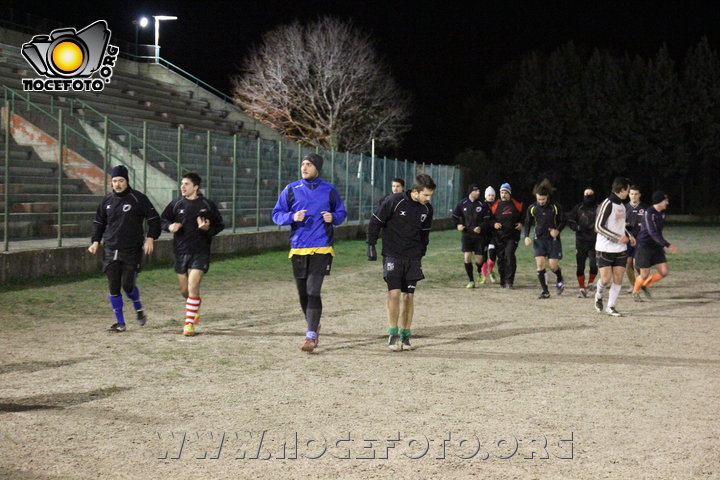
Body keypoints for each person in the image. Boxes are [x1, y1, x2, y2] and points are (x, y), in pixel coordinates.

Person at [272, 153, 347, 353]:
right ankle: (313, 324)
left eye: (309, 165)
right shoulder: (291, 189)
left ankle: (310, 336)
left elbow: (342, 213)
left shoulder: (329, 190)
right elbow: (276, 214)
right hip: (298, 248)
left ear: (317, 169)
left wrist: (334, 217)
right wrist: (291, 216)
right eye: (303, 164)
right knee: (303, 294)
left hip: (322, 247)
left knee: (314, 290)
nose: (304, 168)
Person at [367, 173, 435, 351]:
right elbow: (376, 221)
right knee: (394, 293)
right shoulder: (394, 201)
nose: (428, 199)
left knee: (408, 296)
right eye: (426, 195)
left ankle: (405, 335)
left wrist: (422, 252)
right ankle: (392, 334)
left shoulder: (427, 209)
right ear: (415, 191)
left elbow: (425, 233)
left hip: (413, 258)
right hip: (392, 254)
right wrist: (371, 244)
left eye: (430, 196)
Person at [89, 165, 161, 332]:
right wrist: (95, 241)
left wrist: (150, 238)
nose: (117, 184)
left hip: (131, 250)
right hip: (110, 250)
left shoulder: (138, 198)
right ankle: (120, 323)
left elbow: (154, 220)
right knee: (114, 287)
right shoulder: (106, 201)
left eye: (121, 180)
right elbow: (98, 222)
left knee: (128, 285)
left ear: (127, 181)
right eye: (114, 181)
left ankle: (138, 307)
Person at [161, 172, 225, 336]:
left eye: (186, 184)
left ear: (195, 187)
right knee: (185, 291)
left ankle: (189, 324)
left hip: (200, 251)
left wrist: (207, 229)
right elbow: (163, 220)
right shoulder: (176, 204)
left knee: (193, 286)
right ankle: (194, 307)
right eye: (182, 184)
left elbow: (220, 225)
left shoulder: (207, 204)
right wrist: (170, 227)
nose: (183, 187)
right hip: (181, 251)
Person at [594, 177, 635, 317]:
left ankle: (611, 306)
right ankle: (599, 294)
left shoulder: (622, 206)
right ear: (622, 190)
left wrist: (629, 235)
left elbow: (621, 226)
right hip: (604, 248)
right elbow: (598, 226)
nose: (628, 193)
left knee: (618, 278)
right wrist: (618, 237)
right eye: (628, 191)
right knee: (605, 279)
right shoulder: (607, 204)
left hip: (620, 249)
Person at [523, 178, 566, 299]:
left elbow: (563, 220)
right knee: (540, 264)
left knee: (553, 266)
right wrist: (526, 236)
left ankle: (559, 277)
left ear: (547, 197)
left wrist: (557, 230)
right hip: (539, 239)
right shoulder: (532, 208)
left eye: (543, 199)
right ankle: (545, 291)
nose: (541, 201)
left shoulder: (555, 207)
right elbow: (527, 222)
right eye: (538, 199)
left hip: (553, 240)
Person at [631, 191, 678, 301]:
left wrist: (661, 245)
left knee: (664, 272)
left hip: (656, 246)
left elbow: (658, 232)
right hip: (644, 245)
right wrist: (667, 244)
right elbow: (652, 232)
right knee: (644, 274)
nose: (667, 202)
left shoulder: (662, 213)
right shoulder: (649, 213)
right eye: (665, 200)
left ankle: (645, 285)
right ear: (659, 201)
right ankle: (635, 292)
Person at [452, 184, 492, 288]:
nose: (479, 192)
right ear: (471, 192)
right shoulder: (462, 203)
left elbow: (487, 220)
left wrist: (480, 227)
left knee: (479, 260)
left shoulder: (483, 204)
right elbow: (455, 216)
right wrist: (458, 225)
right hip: (467, 235)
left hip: (479, 236)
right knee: (467, 257)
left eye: (479, 190)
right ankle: (471, 281)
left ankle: (479, 270)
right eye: (476, 191)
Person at [566, 187, 598, 298]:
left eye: (590, 194)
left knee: (594, 266)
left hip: (594, 242)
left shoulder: (598, 208)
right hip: (581, 242)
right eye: (586, 194)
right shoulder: (578, 208)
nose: (588, 197)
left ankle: (590, 283)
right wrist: (578, 227)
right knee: (580, 267)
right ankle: (582, 288)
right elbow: (570, 220)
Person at [490, 183, 523, 289]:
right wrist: (493, 224)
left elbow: (524, 217)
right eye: (502, 192)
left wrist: (521, 223)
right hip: (499, 237)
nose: (503, 195)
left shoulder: (517, 205)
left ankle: (510, 281)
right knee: (501, 259)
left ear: (509, 193)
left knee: (509, 255)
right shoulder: (495, 206)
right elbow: (489, 219)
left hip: (512, 237)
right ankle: (503, 280)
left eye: (505, 193)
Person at [625, 185, 649, 296]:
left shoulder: (645, 208)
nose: (634, 196)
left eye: (636, 194)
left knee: (637, 264)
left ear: (639, 195)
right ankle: (633, 285)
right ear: (628, 195)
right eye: (631, 194)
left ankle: (642, 280)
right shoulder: (624, 208)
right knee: (628, 264)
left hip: (641, 240)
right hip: (627, 240)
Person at [480, 186, 499, 284]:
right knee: (483, 256)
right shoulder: (482, 206)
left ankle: (490, 271)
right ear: (485, 196)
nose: (491, 197)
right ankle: (483, 277)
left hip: (493, 235)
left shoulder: (497, 206)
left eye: (492, 195)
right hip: (483, 235)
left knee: (492, 256)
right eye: (489, 195)